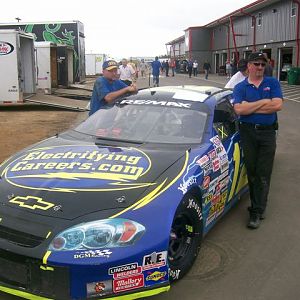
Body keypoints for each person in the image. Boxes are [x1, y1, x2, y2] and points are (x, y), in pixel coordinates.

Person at [233, 52, 283, 229]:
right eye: (257, 64)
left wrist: (250, 106)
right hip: (248, 133)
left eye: (263, 64)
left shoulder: (272, 82)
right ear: (249, 66)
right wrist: (264, 102)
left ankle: (256, 211)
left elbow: (277, 105)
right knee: (253, 172)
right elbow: (239, 110)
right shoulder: (240, 87)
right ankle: (258, 206)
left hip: (267, 134)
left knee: (263, 173)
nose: (260, 67)